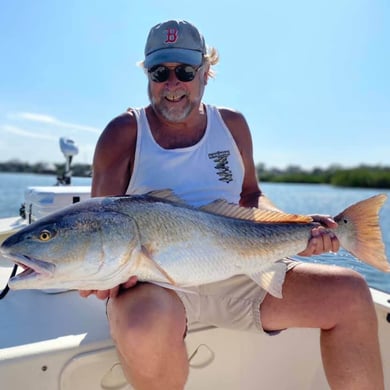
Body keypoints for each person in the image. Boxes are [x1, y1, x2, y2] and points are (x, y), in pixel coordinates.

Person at [80, 20, 384, 390]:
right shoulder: (123, 133)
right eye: (160, 72)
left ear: (206, 72)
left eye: (185, 71)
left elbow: (251, 196)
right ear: (148, 74)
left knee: (350, 293)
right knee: (144, 325)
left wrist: (299, 224)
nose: (172, 84)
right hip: (154, 281)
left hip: (241, 267)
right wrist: (102, 275)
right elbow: (100, 224)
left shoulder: (233, 125)